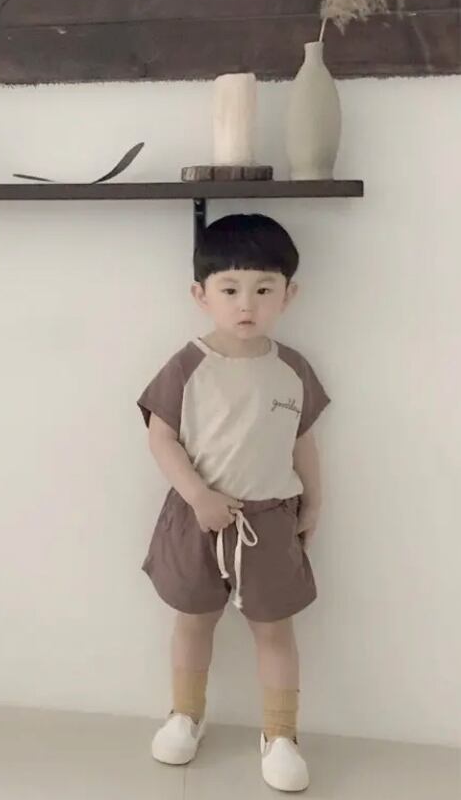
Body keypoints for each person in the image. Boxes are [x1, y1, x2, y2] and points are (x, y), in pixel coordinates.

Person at [137, 214, 328, 793]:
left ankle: (281, 734)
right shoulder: (187, 365)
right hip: (196, 519)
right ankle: (185, 714)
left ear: (288, 295)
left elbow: (303, 441)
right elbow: (161, 438)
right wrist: (199, 496)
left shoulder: (293, 369)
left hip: (269, 521)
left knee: (275, 629)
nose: (247, 304)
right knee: (193, 620)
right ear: (202, 295)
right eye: (230, 289)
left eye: (264, 290)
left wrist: (314, 502)